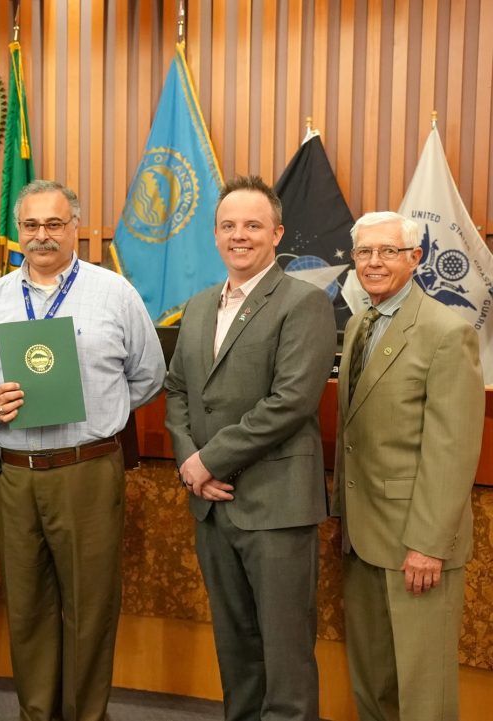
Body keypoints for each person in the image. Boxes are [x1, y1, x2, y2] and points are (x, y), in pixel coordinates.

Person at [0, 180, 165, 721]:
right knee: (27, 607)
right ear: (17, 233)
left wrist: (99, 415)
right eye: (30, 226)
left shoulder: (114, 292)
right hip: (15, 474)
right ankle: (36, 713)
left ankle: (87, 715)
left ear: (75, 227)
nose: (41, 236)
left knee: (90, 609)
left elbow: (150, 375)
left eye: (53, 224)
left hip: (86, 470)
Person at [164, 175, 336, 721]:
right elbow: (176, 390)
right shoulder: (196, 307)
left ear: (277, 232)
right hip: (212, 506)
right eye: (229, 226)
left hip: (276, 506)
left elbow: (290, 402)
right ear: (215, 235)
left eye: (253, 225)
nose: (240, 235)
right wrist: (191, 464)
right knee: (236, 653)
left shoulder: (304, 302)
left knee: (284, 660)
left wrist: (208, 459)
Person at [332, 211, 483, 721]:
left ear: (415, 258)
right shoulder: (358, 324)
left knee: (424, 694)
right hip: (362, 535)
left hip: (417, 545)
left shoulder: (446, 332)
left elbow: (453, 449)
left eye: (388, 251)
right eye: (364, 253)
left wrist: (428, 545)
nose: (373, 262)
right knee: (373, 684)